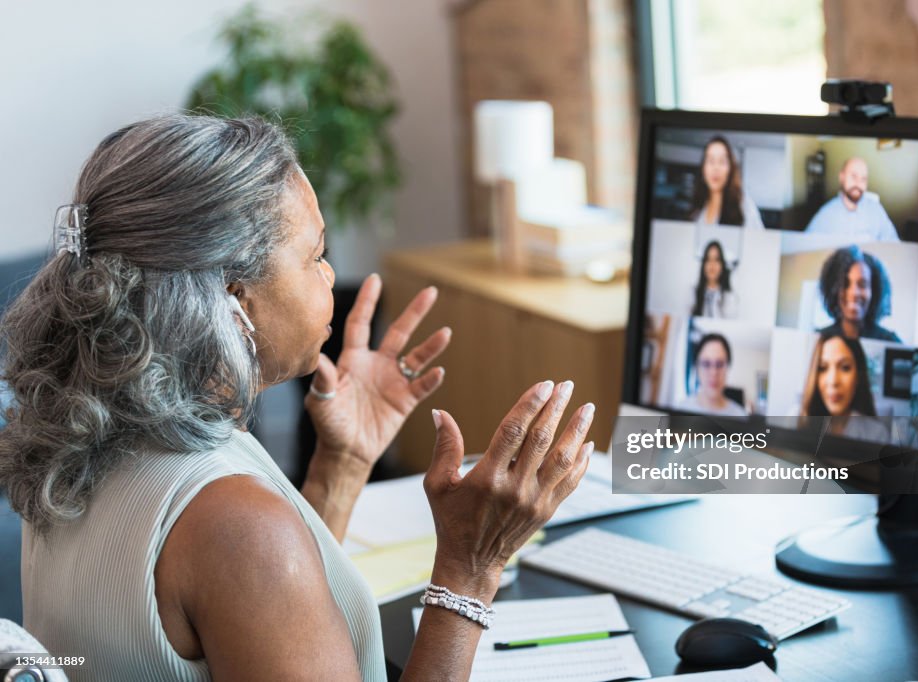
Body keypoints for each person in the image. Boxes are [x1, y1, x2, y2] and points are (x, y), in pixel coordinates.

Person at [0, 115, 596, 681]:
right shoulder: (232, 521)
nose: (331, 275)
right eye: (314, 255)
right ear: (233, 298)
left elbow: (252, 612)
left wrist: (342, 464)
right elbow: (247, 559)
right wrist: (471, 569)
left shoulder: (83, 443)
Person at [799, 331, 889, 442]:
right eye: (823, 368)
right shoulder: (797, 420)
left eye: (845, 367)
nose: (833, 381)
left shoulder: (877, 434)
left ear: (858, 376)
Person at [816, 245, 901, 342]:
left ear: (874, 291)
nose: (854, 293)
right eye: (845, 284)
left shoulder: (890, 342)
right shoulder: (819, 338)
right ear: (833, 289)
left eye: (862, 284)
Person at [804, 157, 899, 242]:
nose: (858, 183)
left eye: (863, 179)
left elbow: (894, 243)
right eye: (854, 176)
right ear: (842, 177)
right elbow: (806, 247)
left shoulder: (877, 210)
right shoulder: (825, 214)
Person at [690, 135, 765, 229]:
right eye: (711, 161)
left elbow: (758, 239)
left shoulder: (743, 205)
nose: (716, 168)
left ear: (730, 169)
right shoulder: (698, 208)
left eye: (722, 161)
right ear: (703, 169)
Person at [679, 333, 747, 416]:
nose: (713, 373)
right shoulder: (681, 409)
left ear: (728, 367)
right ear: (697, 367)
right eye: (706, 364)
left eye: (720, 364)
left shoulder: (740, 416)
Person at [691, 240, 737, 318]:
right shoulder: (692, 293)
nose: (712, 264)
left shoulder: (730, 297)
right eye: (708, 260)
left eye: (716, 260)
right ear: (703, 264)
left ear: (722, 265)